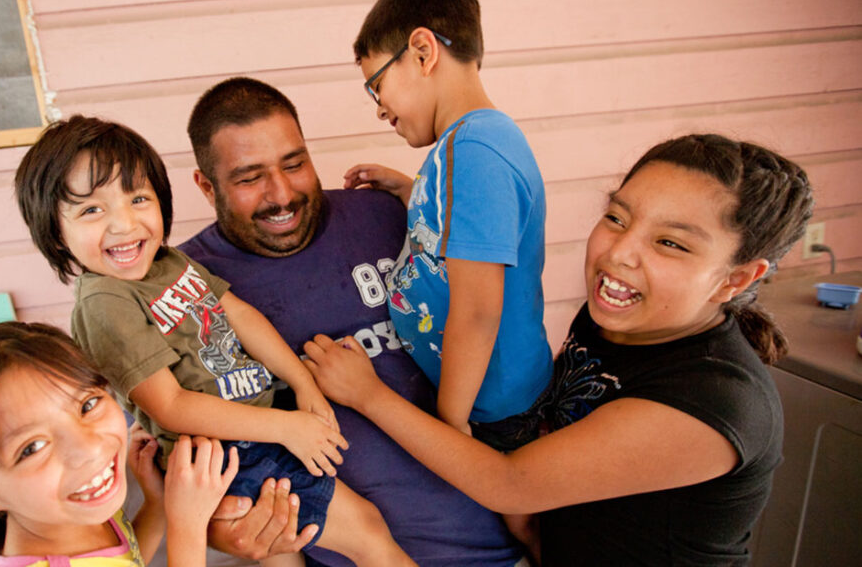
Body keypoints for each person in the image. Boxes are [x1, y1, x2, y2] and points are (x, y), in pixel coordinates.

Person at [305, 133, 814, 566]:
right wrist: (426, 202)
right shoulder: (618, 322)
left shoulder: (713, 405)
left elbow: (509, 483)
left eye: (671, 244)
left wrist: (369, 395)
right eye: (617, 217)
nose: (618, 253)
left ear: (737, 278)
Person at [13, 116, 415, 567]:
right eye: (92, 210)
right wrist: (287, 428)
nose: (125, 224)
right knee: (367, 530)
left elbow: (240, 315)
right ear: (54, 231)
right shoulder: (105, 302)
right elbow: (170, 407)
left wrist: (302, 382)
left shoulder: (168, 262)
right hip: (226, 455)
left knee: (287, 555)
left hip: (255, 432)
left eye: (138, 198)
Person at [181, 76, 526, 566]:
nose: (281, 194)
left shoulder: (384, 215)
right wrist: (222, 530)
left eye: (294, 164)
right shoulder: (186, 287)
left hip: (500, 544)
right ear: (205, 185)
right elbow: (171, 443)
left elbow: (478, 291)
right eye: (249, 177)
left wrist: (414, 194)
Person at [343, 0, 552, 555]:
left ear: (422, 51)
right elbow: (461, 235)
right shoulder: (461, 148)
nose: (379, 108)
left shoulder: (478, 149)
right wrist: (409, 192)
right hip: (483, 400)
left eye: (376, 86)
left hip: (492, 407)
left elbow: (479, 309)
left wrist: (450, 423)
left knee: (525, 524)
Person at [0, 321, 240, 567]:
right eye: (31, 447)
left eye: (88, 405)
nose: (89, 449)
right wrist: (188, 526)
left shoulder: (73, 516)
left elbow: (124, 557)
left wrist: (156, 504)